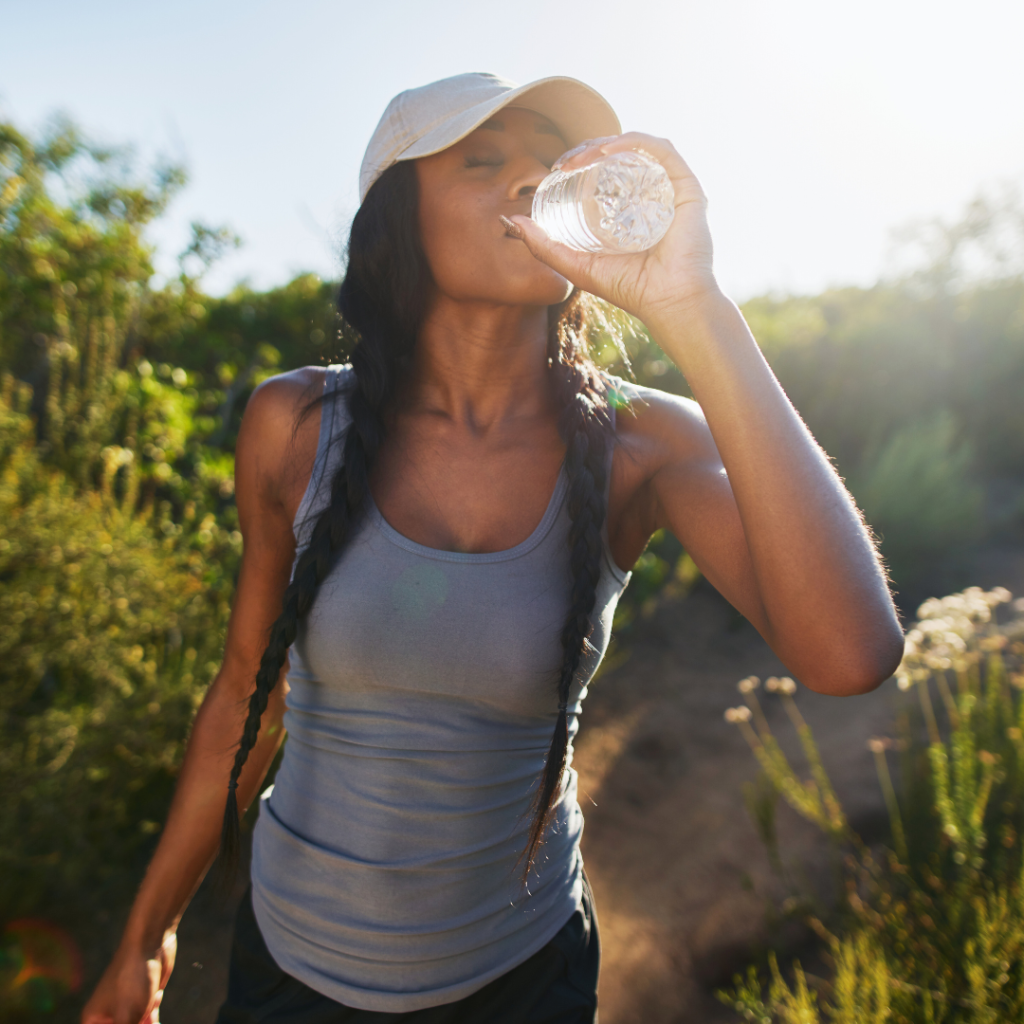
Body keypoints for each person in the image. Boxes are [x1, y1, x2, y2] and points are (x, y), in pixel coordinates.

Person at [82, 71, 904, 1024]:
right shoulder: (297, 424)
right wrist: (147, 935)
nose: (529, 181)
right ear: (400, 222)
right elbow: (242, 696)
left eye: (548, 163)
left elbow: (850, 654)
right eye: (484, 161)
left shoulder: (642, 442)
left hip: (519, 979)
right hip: (293, 967)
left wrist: (694, 305)